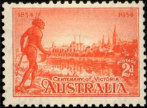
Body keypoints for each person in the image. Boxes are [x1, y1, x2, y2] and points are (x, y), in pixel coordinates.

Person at [18, 18, 50, 90]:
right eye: (42, 24)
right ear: (38, 24)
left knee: (35, 67)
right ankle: (21, 85)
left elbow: (22, 37)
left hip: (27, 49)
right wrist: (46, 52)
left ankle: (31, 84)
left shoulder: (30, 29)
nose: (43, 26)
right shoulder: (39, 32)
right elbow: (39, 45)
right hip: (32, 50)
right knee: (31, 67)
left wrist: (22, 48)